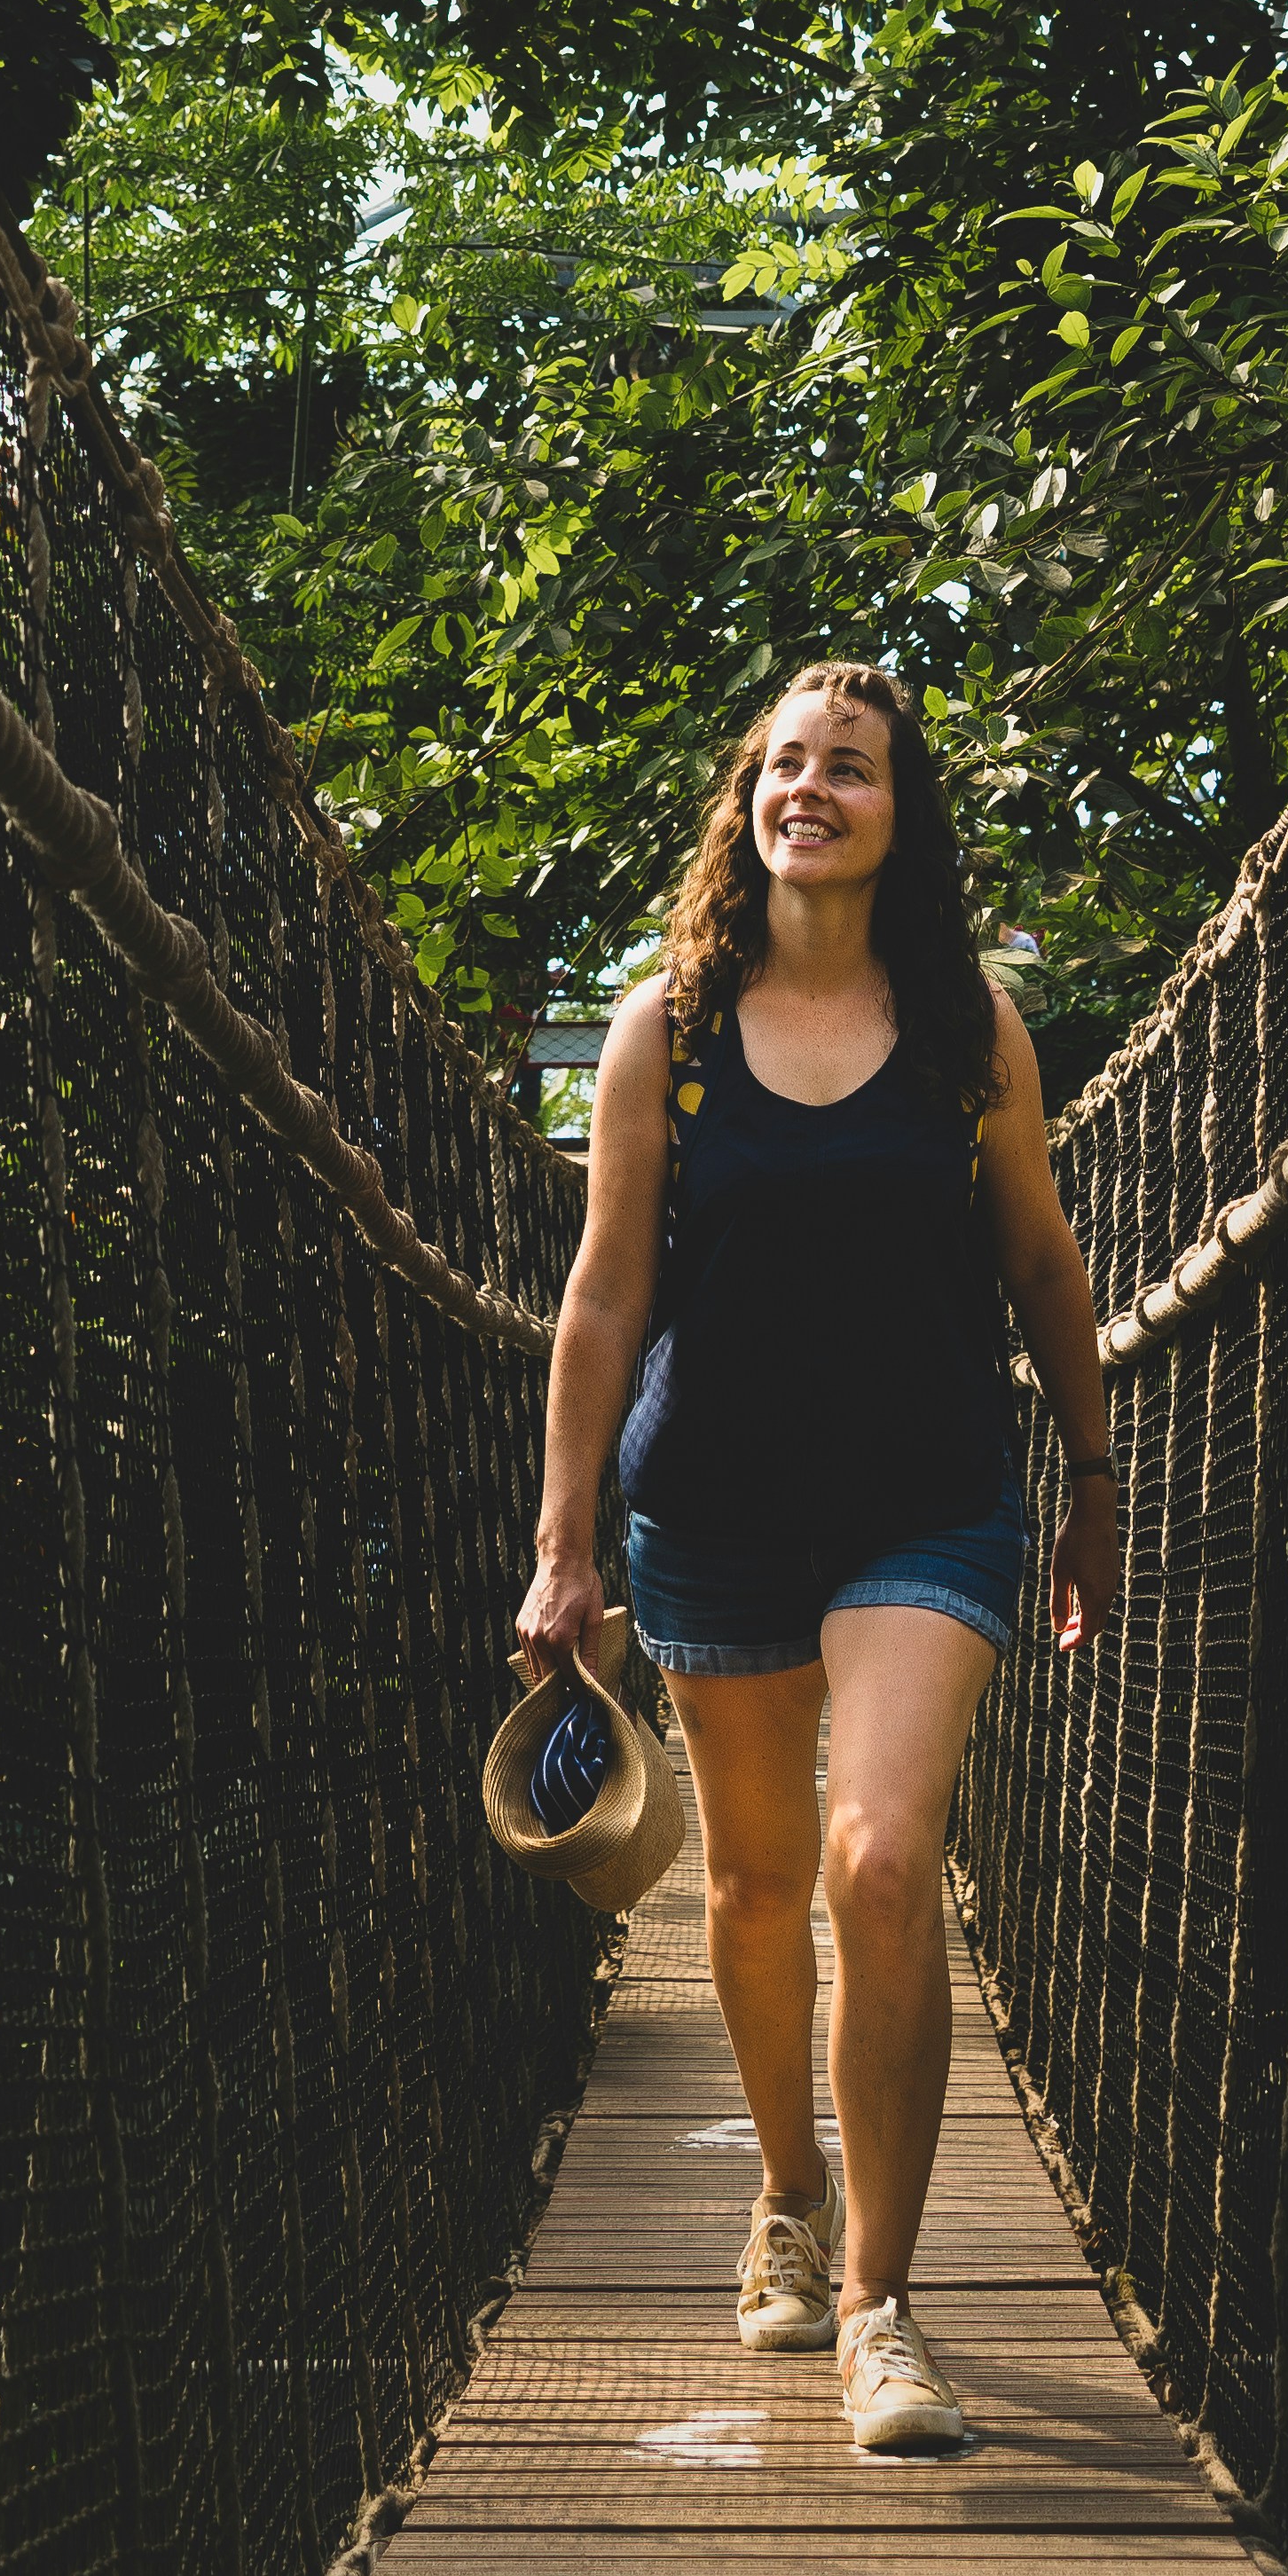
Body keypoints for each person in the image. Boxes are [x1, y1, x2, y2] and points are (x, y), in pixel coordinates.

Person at [515, 661, 1120, 2457]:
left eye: (846, 768)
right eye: (783, 763)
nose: (810, 789)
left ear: (894, 813)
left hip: (925, 1497)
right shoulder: (665, 1032)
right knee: (758, 1889)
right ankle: (781, 2193)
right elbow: (606, 1291)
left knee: (877, 1859)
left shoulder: (964, 1034)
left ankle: (876, 2303)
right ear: (744, 805)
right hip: (706, 1509)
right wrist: (561, 1549)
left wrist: (1091, 1477)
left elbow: (1042, 1267)